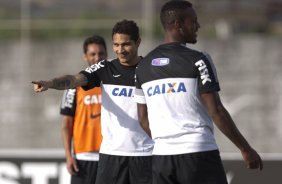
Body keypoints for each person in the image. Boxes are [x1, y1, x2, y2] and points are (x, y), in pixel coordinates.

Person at [134, 1, 263, 184]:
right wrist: (245, 148)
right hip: (198, 154)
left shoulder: (143, 66)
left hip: (162, 158)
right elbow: (216, 110)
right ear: (178, 25)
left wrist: (166, 141)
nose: (198, 26)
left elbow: (142, 119)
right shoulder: (199, 60)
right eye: (192, 21)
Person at [32, 19, 153, 184]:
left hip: (144, 154)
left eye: (125, 44)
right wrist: (50, 83)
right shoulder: (105, 68)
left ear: (138, 42)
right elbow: (74, 79)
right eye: (116, 45)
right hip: (112, 156)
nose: (120, 50)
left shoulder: (151, 70)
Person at [60, 35, 107, 184]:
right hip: (83, 159)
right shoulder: (75, 86)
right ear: (85, 56)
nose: (97, 58)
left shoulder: (114, 84)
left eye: (101, 54)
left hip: (109, 156)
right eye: (93, 54)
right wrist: (68, 156)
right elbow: (67, 124)